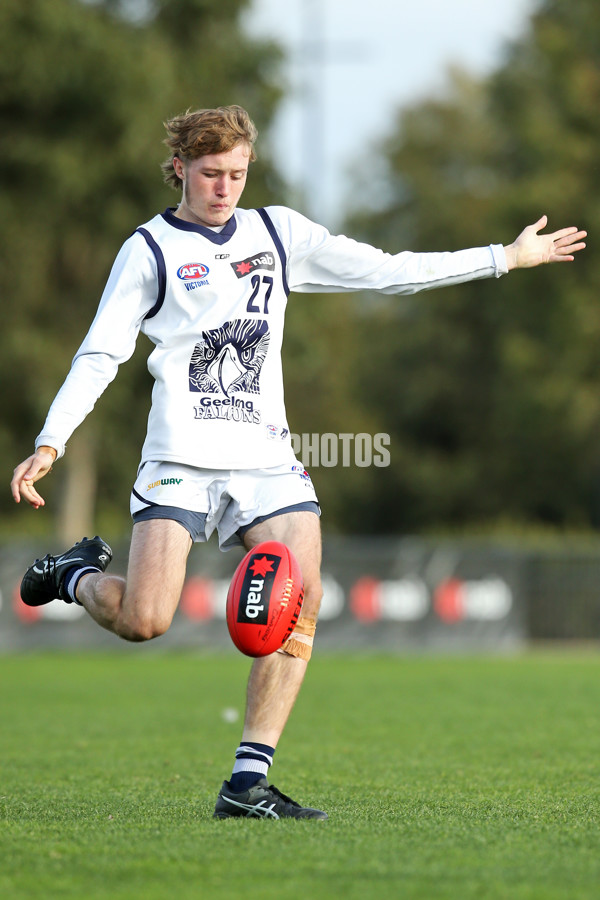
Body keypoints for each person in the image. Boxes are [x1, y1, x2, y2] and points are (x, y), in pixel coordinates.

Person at [11, 105, 586, 820]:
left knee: (304, 593)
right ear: (181, 168)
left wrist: (504, 256)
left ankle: (247, 783)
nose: (225, 187)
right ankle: (75, 574)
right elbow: (102, 352)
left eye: (238, 173)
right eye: (212, 173)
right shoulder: (149, 249)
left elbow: (388, 273)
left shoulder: (278, 233)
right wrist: (51, 439)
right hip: (181, 458)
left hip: (266, 459)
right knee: (144, 620)